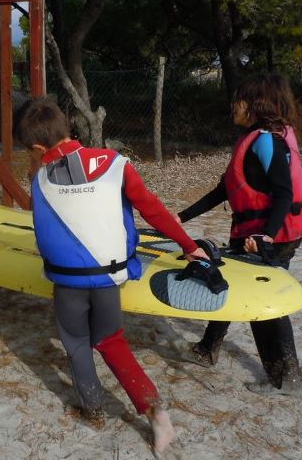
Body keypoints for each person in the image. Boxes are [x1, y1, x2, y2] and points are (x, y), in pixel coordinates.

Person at [15, 98, 209, 455]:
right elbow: (151, 208)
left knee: (75, 342)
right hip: (110, 276)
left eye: (31, 152)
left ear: (38, 148)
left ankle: (93, 408)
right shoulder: (114, 163)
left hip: (67, 281)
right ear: (68, 129)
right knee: (110, 340)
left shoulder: (39, 178)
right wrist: (187, 245)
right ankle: (156, 414)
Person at [176, 74, 302, 396]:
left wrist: (265, 235)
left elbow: (283, 193)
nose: (232, 106)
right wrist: (178, 217)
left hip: (272, 236)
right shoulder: (254, 139)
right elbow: (222, 190)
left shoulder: (267, 141)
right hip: (257, 233)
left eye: (238, 100)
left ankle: (287, 379)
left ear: (255, 105)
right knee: (230, 282)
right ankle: (208, 349)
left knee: (262, 303)